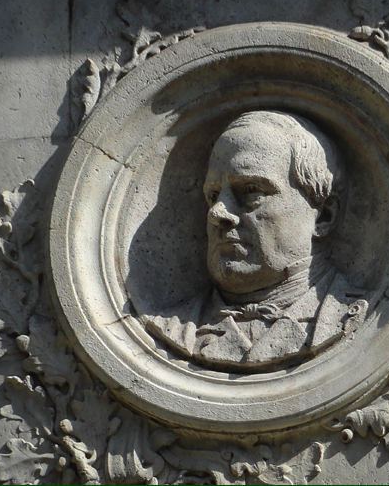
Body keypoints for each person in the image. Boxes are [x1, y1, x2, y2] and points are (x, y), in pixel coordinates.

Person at [141, 110, 368, 370]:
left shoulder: (351, 314)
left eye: (251, 191)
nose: (217, 213)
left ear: (323, 216)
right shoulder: (171, 328)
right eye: (214, 195)